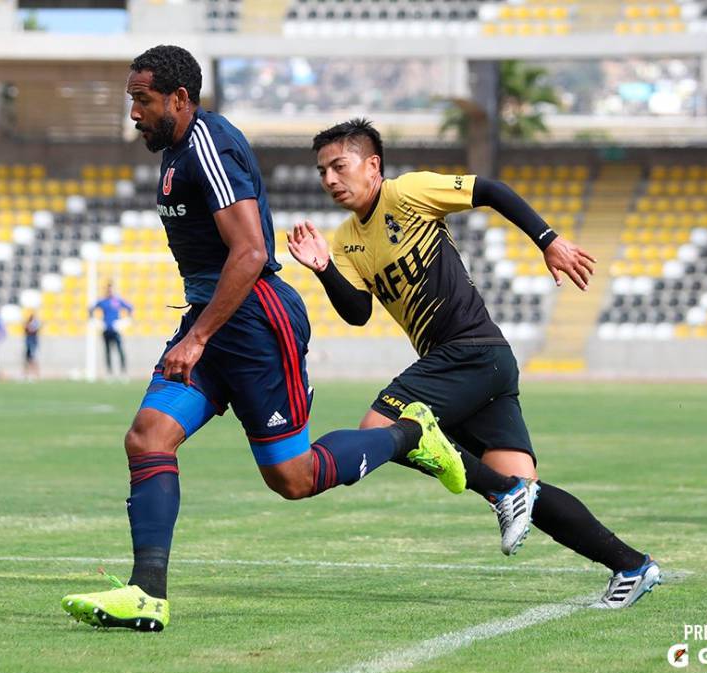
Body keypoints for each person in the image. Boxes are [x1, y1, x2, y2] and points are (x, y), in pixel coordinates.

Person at [61, 46, 471, 633]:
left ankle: (412, 433)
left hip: (254, 320)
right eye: (132, 99)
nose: (133, 112)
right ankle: (147, 593)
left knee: (293, 478)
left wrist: (198, 337)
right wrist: (201, 328)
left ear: (179, 98)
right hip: (212, 316)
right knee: (147, 438)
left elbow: (252, 251)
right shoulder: (176, 150)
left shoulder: (208, 142)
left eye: (142, 99)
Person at [285, 118, 661, 609]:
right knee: (529, 490)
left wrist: (547, 240)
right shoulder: (347, 241)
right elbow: (357, 313)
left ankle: (504, 495)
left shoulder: (410, 193)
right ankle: (632, 566)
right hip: (477, 364)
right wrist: (325, 269)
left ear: (372, 166)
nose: (330, 180)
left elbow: (492, 190)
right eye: (322, 172)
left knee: (380, 428)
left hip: (469, 351)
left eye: (339, 166)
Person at [89, 282, 133, 377]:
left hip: (116, 330)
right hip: (106, 330)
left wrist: (126, 321)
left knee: (120, 350)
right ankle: (109, 372)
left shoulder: (117, 301)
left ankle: (123, 371)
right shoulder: (103, 301)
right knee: (107, 351)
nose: (110, 291)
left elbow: (130, 307)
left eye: (111, 289)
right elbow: (91, 308)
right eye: (108, 289)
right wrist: (94, 320)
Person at [23, 310, 41, 381]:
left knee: (33, 358)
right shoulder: (28, 323)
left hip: (33, 343)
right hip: (28, 343)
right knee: (27, 359)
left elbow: (32, 330)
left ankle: (36, 374)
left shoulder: (35, 323)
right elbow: (25, 329)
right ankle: (26, 374)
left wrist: (28, 327)